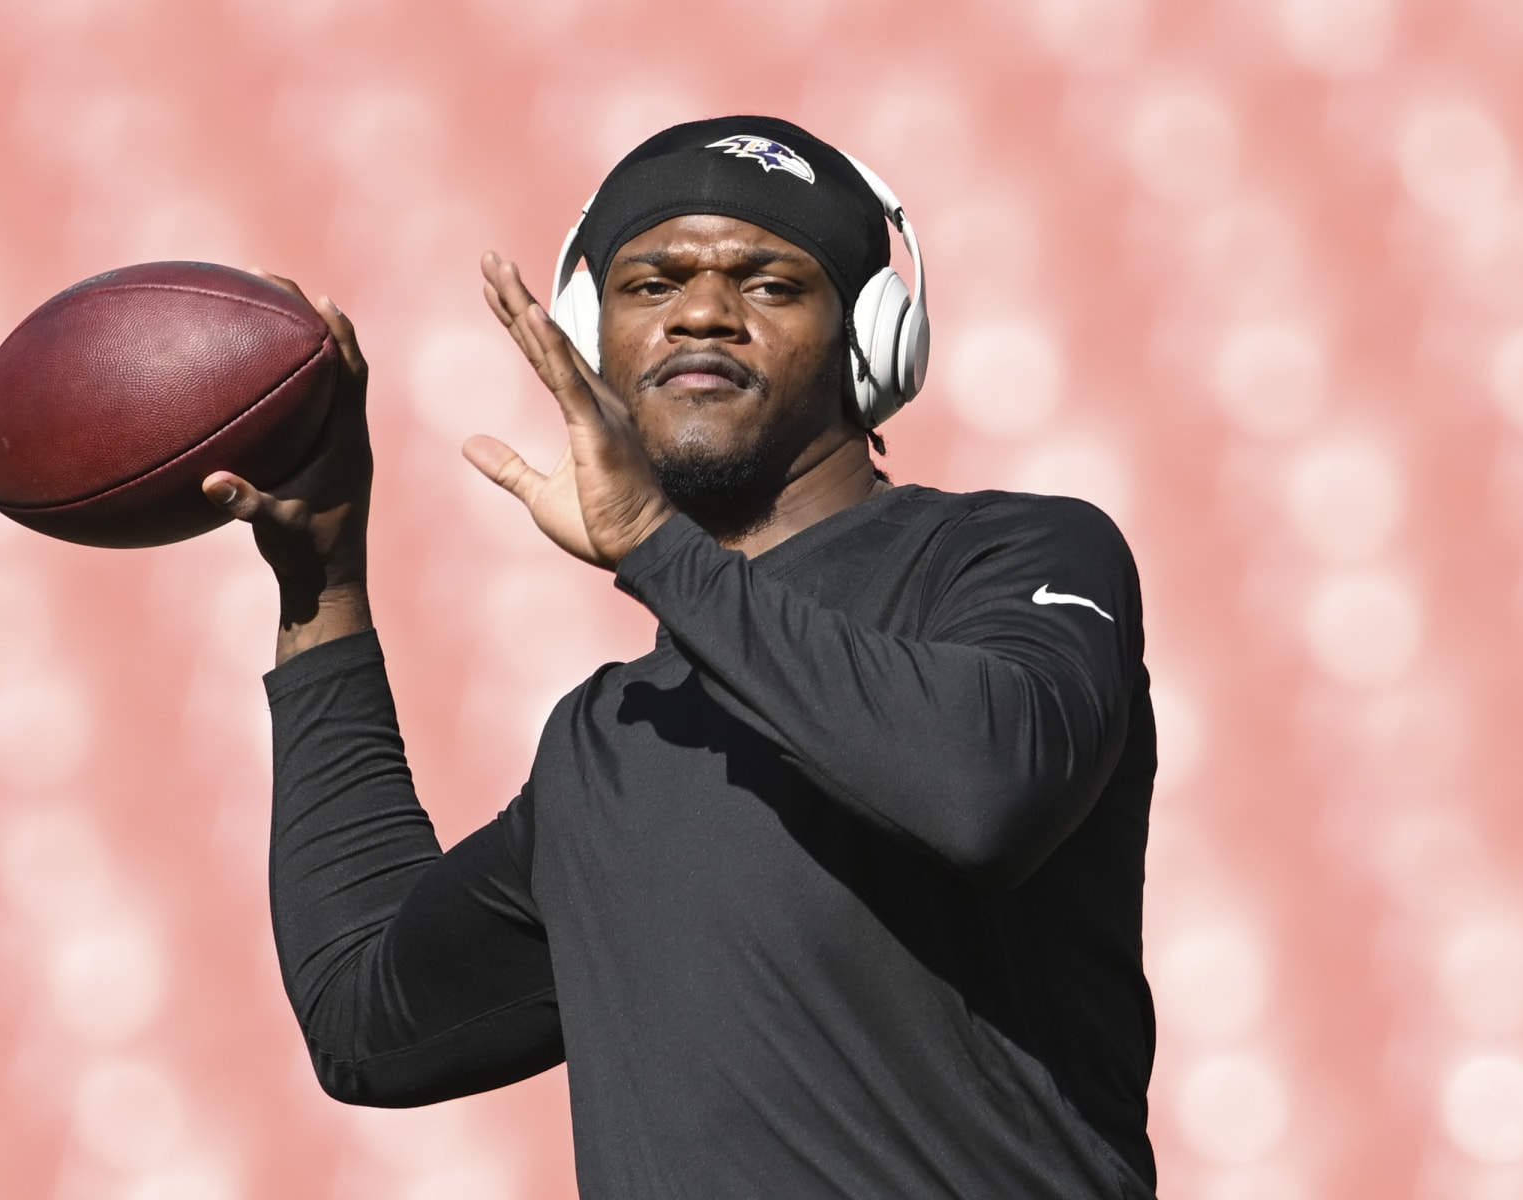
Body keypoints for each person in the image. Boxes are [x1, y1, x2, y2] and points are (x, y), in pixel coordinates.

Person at [201, 116, 1158, 1199]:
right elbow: (366, 1022)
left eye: (769, 282)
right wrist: (323, 588)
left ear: (873, 341)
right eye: (651, 284)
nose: (703, 312)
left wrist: (658, 549)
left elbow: (984, 789)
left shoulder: (1010, 553)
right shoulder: (610, 740)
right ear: (587, 332)